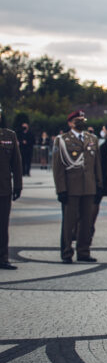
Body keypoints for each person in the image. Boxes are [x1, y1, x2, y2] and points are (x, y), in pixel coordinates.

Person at [53, 110, 102, 263]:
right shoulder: (62, 140)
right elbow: (58, 167)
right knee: (69, 222)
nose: (81, 121)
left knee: (87, 222)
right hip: (71, 188)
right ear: (70, 123)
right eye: (77, 119)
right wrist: (61, 189)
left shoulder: (92, 138)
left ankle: (84, 252)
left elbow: (97, 165)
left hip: (89, 187)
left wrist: (99, 184)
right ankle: (67, 252)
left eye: (82, 118)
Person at [0, 105, 23, 270]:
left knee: (2, 225)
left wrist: (18, 186)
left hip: (3, 188)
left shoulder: (9, 135)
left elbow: (17, 163)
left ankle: (3, 257)